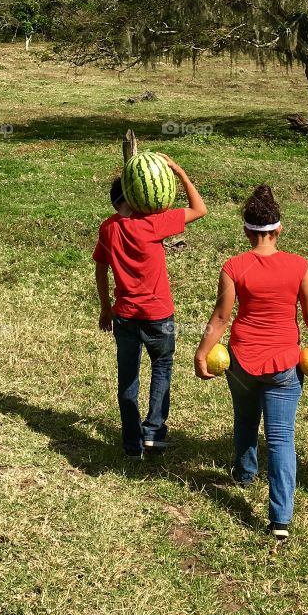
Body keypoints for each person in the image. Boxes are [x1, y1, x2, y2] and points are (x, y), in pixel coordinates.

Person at [194, 184, 308, 541]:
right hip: (285, 367)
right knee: (281, 440)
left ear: (246, 231)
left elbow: (219, 318)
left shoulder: (233, 267)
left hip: (240, 362)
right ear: (279, 230)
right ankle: (280, 519)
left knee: (245, 418)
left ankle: (244, 474)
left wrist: (202, 353)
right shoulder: (299, 266)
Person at [94, 155, 206, 459]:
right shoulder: (153, 224)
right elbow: (200, 209)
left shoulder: (108, 229)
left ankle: (132, 445)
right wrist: (180, 172)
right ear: (137, 194)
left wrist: (106, 308)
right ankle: (154, 432)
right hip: (159, 315)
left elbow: (100, 270)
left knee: (127, 380)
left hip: (125, 316)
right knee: (162, 366)